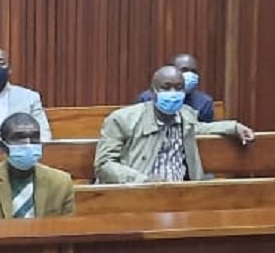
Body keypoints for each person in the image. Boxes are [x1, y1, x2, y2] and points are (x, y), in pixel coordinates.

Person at [95, 65, 255, 184]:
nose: (173, 92)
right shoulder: (122, 119)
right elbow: (104, 164)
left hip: (181, 195)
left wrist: (234, 127)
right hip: (138, 193)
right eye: (166, 87)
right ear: (153, 91)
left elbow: (202, 128)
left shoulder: (186, 116)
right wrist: (142, 180)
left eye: (178, 88)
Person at [0, 113, 74, 219]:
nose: (28, 144)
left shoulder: (61, 182)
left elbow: (66, 227)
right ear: (3, 147)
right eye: (19, 138)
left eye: (34, 137)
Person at [0, 47, 51, 141]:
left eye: (1, 63)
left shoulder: (30, 97)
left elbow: (44, 134)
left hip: (20, 147)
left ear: (9, 70)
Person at [137, 53, 215, 122]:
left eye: (193, 71)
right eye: (184, 70)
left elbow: (204, 130)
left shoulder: (204, 101)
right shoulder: (147, 98)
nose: (190, 74)